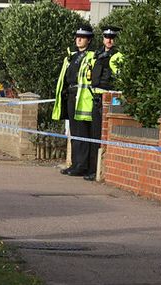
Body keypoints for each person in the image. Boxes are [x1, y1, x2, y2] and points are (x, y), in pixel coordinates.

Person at [52, 24, 96, 177]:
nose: (78, 39)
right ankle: (75, 163)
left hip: (82, 97)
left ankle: (81, 165)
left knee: (82, 132)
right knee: (74, 132)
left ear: (89, 40)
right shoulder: (71, 56)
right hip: (70, 95)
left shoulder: (91, 56)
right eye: (77, 36)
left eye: (82, 37)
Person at [86, 25, 124, 181]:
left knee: (101, 134)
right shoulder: (97, 54)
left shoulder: (118, 56)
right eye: (107, 37)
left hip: (108, 97)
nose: (109, 40)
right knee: (94, 134)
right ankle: (91, 168)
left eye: (112, 38)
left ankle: (97, 170)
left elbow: (119, 78)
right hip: (95, 96)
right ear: (103, 38)